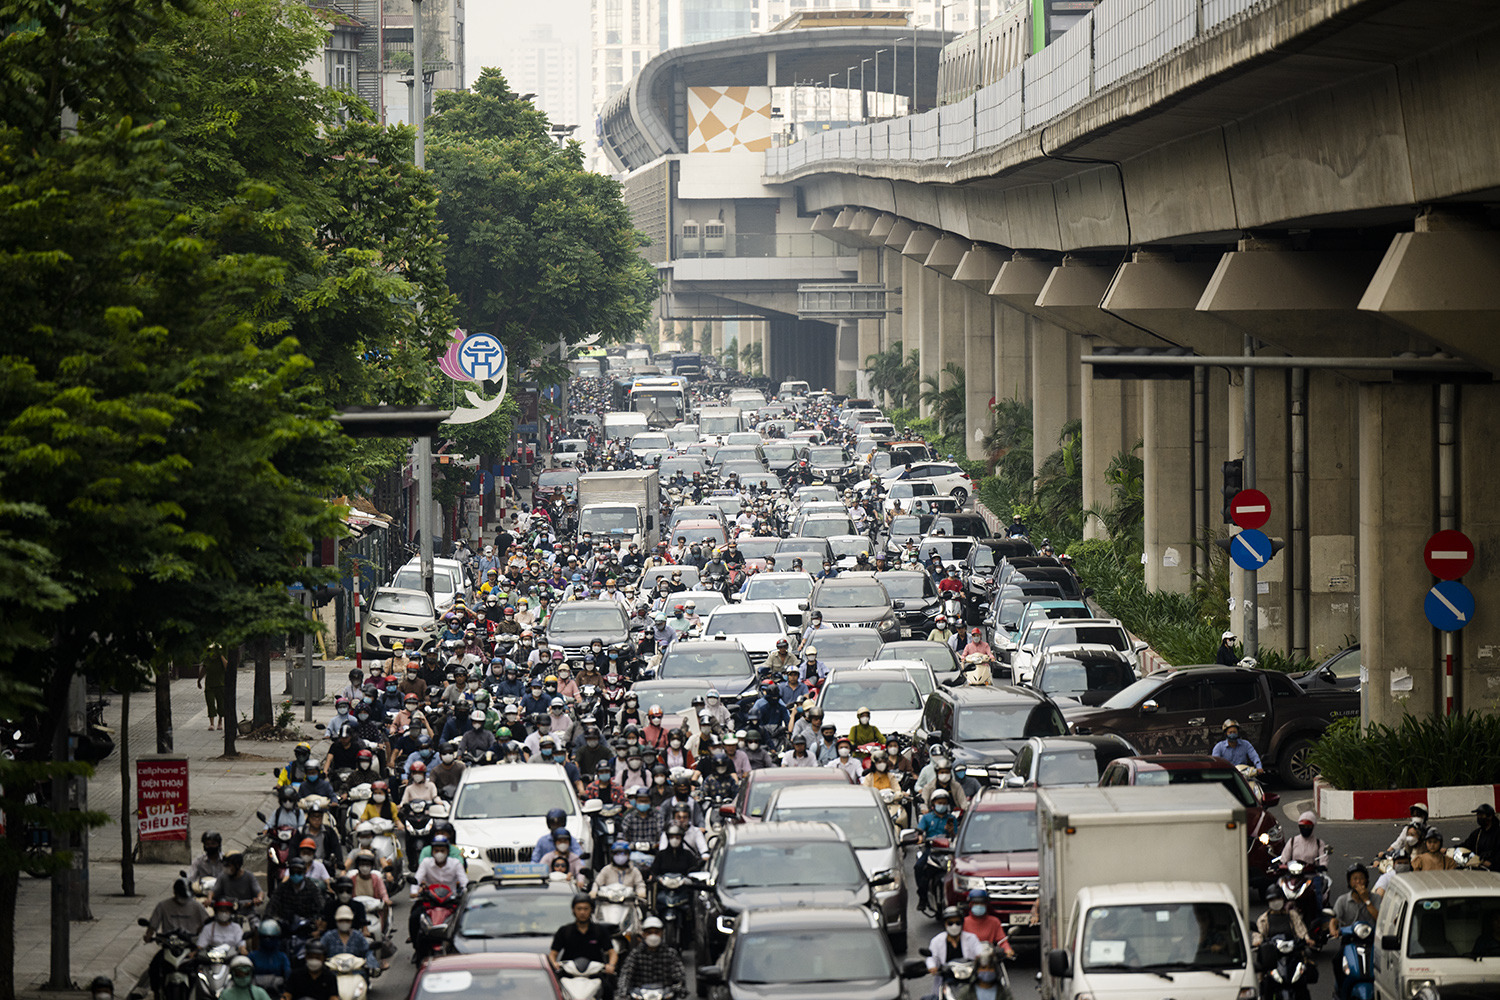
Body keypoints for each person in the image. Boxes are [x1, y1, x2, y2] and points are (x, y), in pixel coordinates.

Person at [145, 878, 209, 997]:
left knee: (203, 966)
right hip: (169, 945)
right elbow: (153, 925)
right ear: (175, 892)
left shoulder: (196, 906)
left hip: (190, 947)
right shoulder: (163, 905)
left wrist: (201, 935)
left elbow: (206, 923)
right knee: (154, 965)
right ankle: (156, 992)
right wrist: (148, 935)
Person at [549, 896, 618, 980]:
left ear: (591, 910)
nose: (582, 912)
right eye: (579, 909)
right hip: (569, 976)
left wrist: (611, 965)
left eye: (586, 909)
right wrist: (554, 964)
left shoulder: (600, 931)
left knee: (610, 988)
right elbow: (553, 953)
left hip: (595, 976)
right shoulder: (564, 931)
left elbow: (612, 952)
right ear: (573, 910)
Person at [615, 915, 685, 997]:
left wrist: (678, 988)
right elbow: (626, 974)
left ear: (662, 933)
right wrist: (623, 992)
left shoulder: (670, 954)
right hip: (640, 994)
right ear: (644, 934)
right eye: (649, 932)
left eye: (656, 932)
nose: (653, 935)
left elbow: (679, 976)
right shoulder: (636, 954)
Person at [926, 905, 983, 993]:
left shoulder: (972, 938)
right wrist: (932, 967)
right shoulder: (936, 941)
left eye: (957, 923)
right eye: (950, 923)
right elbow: (932, 957)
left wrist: (981, 959)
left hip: (970, 979)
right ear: (944, 924)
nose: (954, 926)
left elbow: (980, 952)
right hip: (947, 981)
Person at [319, 905, 377, 972]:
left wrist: (372, 965)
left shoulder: (358, 936)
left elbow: (367, 952)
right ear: (336, 921)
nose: (344, 923)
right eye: (341, 920)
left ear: (351, 921)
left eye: (347, 920)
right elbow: (319, 952)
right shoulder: (328, 936)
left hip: (357, 973)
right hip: (333, 975)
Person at [266, 859, 326, 924]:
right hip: (286, 924)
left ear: (304, 872)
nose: (295, 875)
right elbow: (272, 904)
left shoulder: (311, 887)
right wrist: (268, 918)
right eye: (293, 872)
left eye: (299, 872)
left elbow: (320, 904)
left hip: (307, 924)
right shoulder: (282, 887)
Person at [1329, 862, 1380, 936]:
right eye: (1355, 879)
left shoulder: (1375, 898)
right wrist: (1333, 930)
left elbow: (1379, 919)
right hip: (1349, 936)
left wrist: (1366, 900)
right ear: (1349, 882)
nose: (1358, 882)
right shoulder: (1342, 900)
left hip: (1369, 936)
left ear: (1366, 880)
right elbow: (1334, 919)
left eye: (1361, 878)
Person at [963, 889, 1016, 958]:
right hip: (969, 958)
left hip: (989, 958)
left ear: (986, 905)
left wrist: (1007, 949)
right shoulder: (963, 922)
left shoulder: (994, 921)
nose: (979, 906)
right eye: (976, 903)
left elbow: (1002, 941)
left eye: (981, 903)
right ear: (970, 905)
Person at [1461, 803, 1500, 869]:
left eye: (1481, 815)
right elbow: (1466, 845)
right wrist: (1449, 850)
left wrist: (1491, 862)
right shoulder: (1477, 833)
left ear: (1489, 817)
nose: (1479, 817)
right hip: (1478, 867)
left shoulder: (1498, 833)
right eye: (1478, 815)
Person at [198, 645, 227, 731]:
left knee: (221, 705)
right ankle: (212, 723)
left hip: (220, 685)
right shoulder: (207, 659)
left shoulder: (221, 659)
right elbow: (203, 670)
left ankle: (220, 721)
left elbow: (227, 667)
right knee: (210, 704)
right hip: (209, 685)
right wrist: (199, 680)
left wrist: (221, 656)